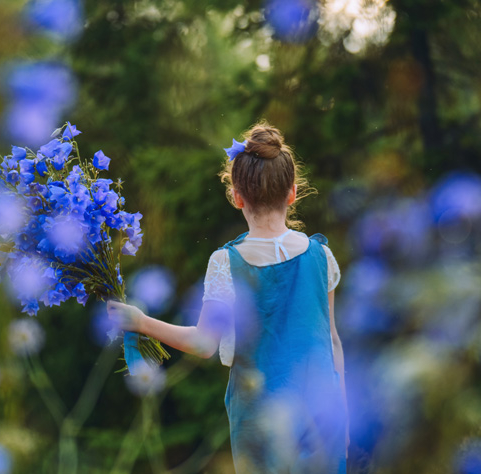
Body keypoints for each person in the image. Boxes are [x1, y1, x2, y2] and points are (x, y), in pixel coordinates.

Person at [107, 120, 348, 473]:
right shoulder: (320, 256)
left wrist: (141, 322)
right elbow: (332, 341)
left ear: (237, 197)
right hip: (322, 417)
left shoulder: (225, 262)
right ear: (292, 193)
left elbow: (205, 344)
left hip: (259, 421)